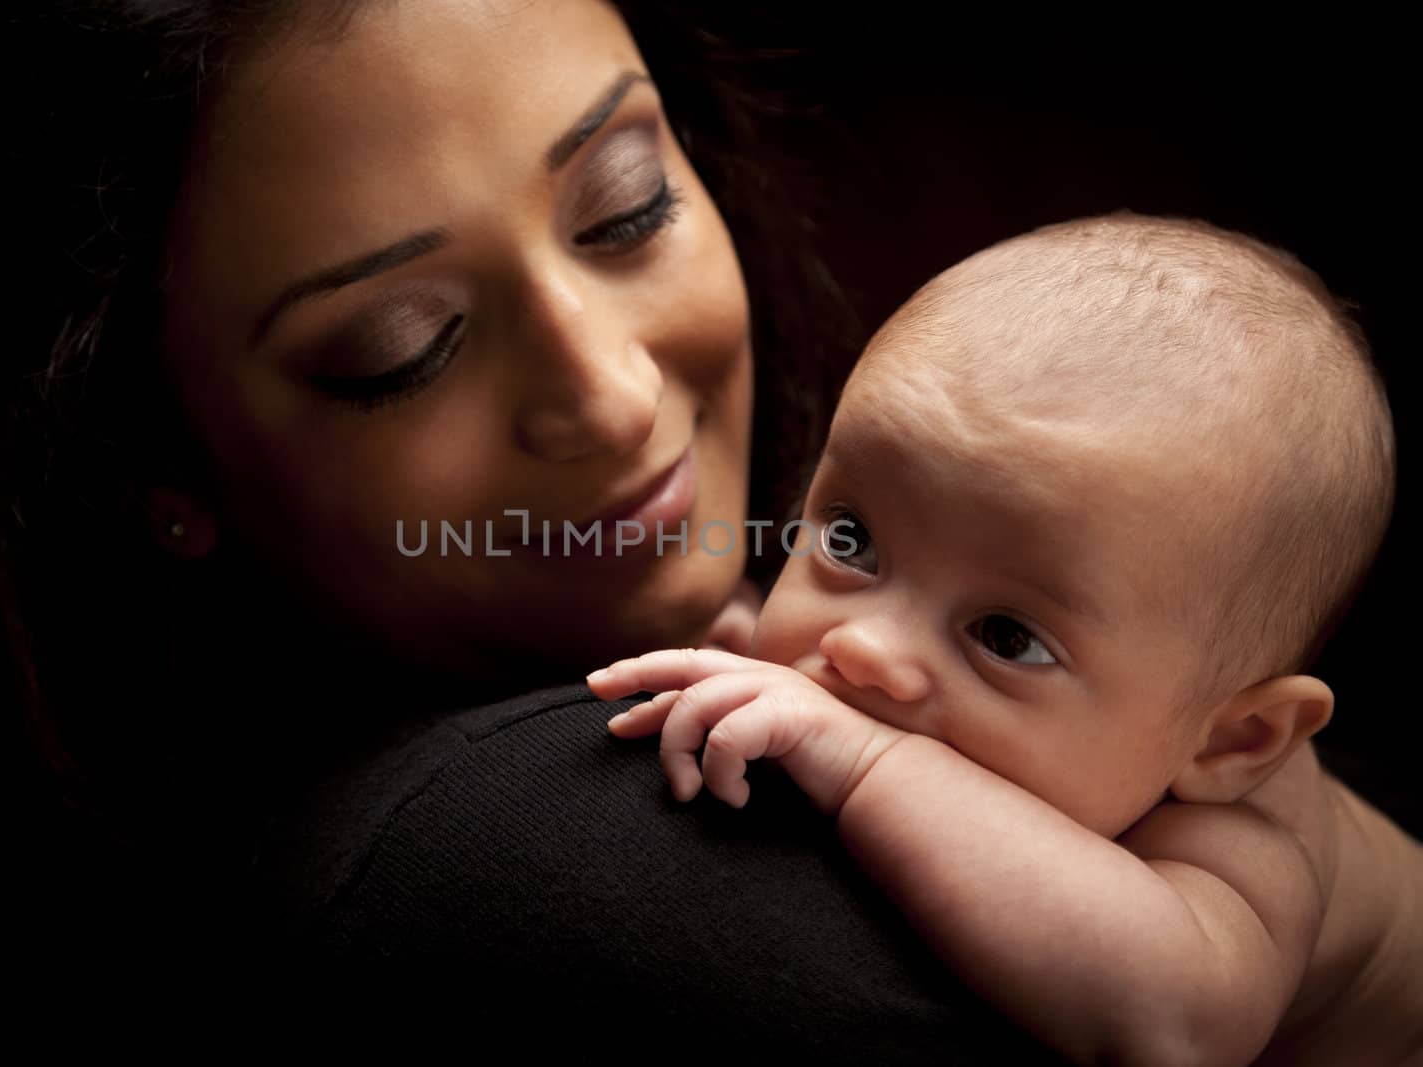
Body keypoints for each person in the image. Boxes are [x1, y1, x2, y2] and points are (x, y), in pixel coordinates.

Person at [0, 0, 1063, 1057]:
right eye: (403, 349)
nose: (610, 398)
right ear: (155, 463)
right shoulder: (495, 872)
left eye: (625, 207)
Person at [592, 214, 1422, 1064]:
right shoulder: (1109, 676)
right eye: (851, 540)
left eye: (1004, 636)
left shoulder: (1250, 834)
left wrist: (866, 763)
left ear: (1233, 738)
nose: (861, 648)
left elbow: (1173, 1027)